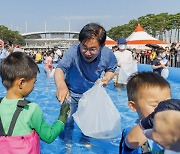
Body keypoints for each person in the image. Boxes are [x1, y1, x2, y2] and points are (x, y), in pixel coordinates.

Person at [54, 23, 117, 145]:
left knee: (89, 121)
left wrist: (107, 78)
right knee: (68, 120)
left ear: (102, 46)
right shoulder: (73, 51)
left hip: (91, 95)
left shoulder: (107, 54)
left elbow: (112, 69)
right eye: (84, 47)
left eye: (92, 49)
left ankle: (85, 140)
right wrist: (61, 86)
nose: (87, 53)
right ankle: (67, 142)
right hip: (71, 93)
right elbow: (59, 69)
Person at [0, 52, 69, 153]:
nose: (34, 86)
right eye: (34, 82)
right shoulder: (31, 109)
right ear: (21, 82)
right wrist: (62, 117)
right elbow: (48, 136)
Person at [119, 71, 171, 154]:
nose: (163, 109)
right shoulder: (132, 132)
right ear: (133, 106)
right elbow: (132, 140)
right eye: (155, 106)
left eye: (167, 103)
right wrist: (151, 120)